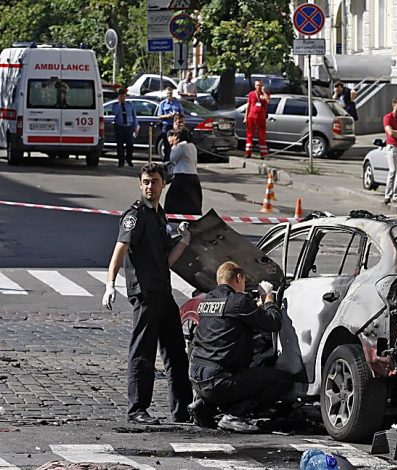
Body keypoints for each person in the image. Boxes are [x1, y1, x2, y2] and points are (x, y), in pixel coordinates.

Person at [101, 162, 193, 425]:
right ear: (140, 184)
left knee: (176, 352)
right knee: (143, 351)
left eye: (154, 182)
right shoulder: (136, 214)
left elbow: (166, 260)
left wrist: (184, 241)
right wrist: (110, 283)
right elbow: (120, 249)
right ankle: (137, 408)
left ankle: (182, 410)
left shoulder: (159, 215)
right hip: (144, 292)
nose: (150, 186)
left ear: (163, 184)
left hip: (163, 290)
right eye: (145, 182)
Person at [188, 261, 294, 433]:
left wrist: (255, 308)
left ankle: (205, 405)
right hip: (219, 381)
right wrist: (267, 297)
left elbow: (228, 322)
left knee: (242, 373)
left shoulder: (207, 300)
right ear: (238, 277)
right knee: (282, 380)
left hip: (197, 378)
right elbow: (273, 322)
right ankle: (234, 415)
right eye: (244, 280)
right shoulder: (238, 301)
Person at [164, 129, 202, 216]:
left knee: (173, 199)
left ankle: (172, 215)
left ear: (178, 137)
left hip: (181, 176)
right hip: (193, 176)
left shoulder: (181, 147)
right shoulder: (192, 146)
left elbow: (172, 158)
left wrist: (174, 145)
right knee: (192, 199)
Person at [111, 88, 139, 168]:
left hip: (128, 127)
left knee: (130, 145)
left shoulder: (130, 105)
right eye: (121, 96)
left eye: (124, 96)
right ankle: (121, 161)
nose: (123, 98)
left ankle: (129, 159)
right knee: (120, 145)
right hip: (119, 126)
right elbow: (114, 113)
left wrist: (136, 126)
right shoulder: (115, 105)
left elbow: (134, 116)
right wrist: (119, 104)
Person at [156, 87, 184, 161]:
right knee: (167, 144)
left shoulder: (177, 103)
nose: (169, 95)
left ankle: (175, 160)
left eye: (170, 93)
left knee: (176, 143)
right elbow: (159, 116)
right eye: (168, 94)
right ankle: (166, 161)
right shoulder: (162, 104)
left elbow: (182, 113)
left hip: (176, 126)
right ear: (166, 94)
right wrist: (168, 116)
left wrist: (177, 114)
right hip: (166, 125)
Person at [244, 80, 270, 158]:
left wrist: (264, 92)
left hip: (261, 117)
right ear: (255, 86)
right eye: (258, 85)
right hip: (251, 117)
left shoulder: (265, 93)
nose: (259, 87)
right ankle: (248, 153)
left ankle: (263, 154)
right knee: (250, 135)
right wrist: (245, 117)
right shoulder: (251, 94)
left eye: (260, 85)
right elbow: (248, 106)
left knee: (262, 135)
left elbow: (268, 100)